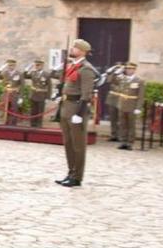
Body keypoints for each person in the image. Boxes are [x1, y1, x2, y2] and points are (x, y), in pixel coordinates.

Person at [57, 39, 98, 187]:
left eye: (75, 47)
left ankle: (77, 177)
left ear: (82, 50)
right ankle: (70, 172)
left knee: (78, 145)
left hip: (76, 109)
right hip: (66, 107)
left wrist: (79, 114)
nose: (72, 49)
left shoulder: (86, 68)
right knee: (68, 143)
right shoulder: (73, 66)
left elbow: (86, 94)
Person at [115, 62, 145, 150]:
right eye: (127, 69)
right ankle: (123, 141)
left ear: (134, 70)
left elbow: (141, 95)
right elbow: (113, 81)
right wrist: (117, 72)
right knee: (122, 124)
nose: (128, 70)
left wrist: (138, 107)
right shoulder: (122, 79)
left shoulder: (139, 80)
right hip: (122, 104)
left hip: (132, 105)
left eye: (131, 69)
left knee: (131, 125)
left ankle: (130, 142)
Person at [25, 59, 54, 128]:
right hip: (33, 95)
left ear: (42, 66)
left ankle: (38, 125)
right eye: (36, 65)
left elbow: (49, 86)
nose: (37, 67)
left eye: (38, 65)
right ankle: (32, 125)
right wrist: (28, 67)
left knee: (40, 111)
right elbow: (25, 75)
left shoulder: (46, 74)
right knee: (33, 111)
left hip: (41, 95)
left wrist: (48, 97)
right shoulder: (33, 73)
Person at [102, 62, 125, 142]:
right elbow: (108, 80)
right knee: (113, 118)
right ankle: (113, 134)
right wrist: (112, 69)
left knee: (120, 118)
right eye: (117, 66)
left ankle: (121, 136)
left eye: (120, 66)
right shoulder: (113, 75)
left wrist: (121, 71)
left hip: (121, 98)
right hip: (112, 98)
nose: (118, 68)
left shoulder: (125, 76)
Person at [0, 58, 23, 125]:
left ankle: (13, 124)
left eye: (12, 65)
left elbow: (22, 85)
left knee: (14, 109)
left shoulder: (19, 74)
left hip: (15, 93)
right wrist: (0, 69)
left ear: (15, 65)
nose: (11, 67)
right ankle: (6, 122)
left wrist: (21, 97)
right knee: (6, 109)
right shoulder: (5, 73)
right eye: (9, 65)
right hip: (6, 93)